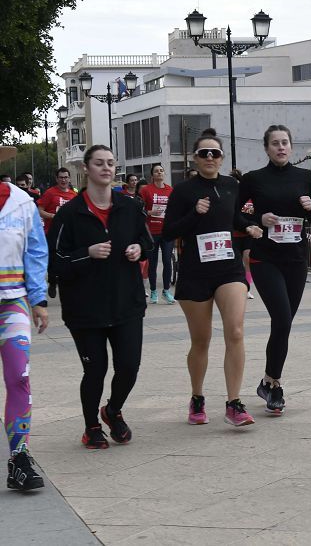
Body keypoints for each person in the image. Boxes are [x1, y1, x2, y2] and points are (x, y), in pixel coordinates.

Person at [49, 145, 152, 449]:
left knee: (129, 366)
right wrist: (87, 254)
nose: (106, 168)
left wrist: (138, 250)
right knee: (95, 369)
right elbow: (55, 263)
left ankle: (113, 410)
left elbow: (147, 243)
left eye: (110, 163)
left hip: (126, 303)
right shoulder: (70, 213)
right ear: (86, 168)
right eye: (99, 163)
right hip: (86, 309)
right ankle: (91, 425)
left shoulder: (130, 207)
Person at [163, 129, 262, 427]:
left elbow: (233, 218)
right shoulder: (183, 191)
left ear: (221, 158)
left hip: (228, 268)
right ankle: (197, 397)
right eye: (204, 153)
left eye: (214, 153)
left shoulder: (232, 186)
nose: (209, 157)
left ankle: (234, 403)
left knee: (235, 331)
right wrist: (194, 213)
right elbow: (168, 231)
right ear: (195, 158)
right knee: (201, 340)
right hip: (195, 271)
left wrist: (251, 226)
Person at [239, 125, 311, 415]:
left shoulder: (305, 177)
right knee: (282, 318)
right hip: (265, 259)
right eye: (275, 143)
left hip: (296, 260)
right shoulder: (253, 179)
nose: (281, 147)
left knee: (283, 325)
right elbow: (236, 214)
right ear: (266, 148)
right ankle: (275, 385)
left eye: (285, 142)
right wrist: (259, 218)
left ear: (291, 146)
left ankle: (268, 381)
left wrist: (310, 208)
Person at [0, 146, 48, 490]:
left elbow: (35, 250)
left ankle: (19, 456)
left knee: (19, 378)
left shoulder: (20, 202)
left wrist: (38, 299)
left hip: (11, 301)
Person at [140, 165, 175, 304]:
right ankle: (153, 290)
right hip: (151, 232)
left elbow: (174, 208)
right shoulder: (146, 190)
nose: (159, 172)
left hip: (166, 231)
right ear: (152, 175)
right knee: (152, 263)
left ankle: (166, 291)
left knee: (167, 261)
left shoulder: (170, 190)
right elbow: (139, 208)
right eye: (156, 171)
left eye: (161, 170)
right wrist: (149, 212)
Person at [230, 169, 255, 300]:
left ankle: (247, 288)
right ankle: (237, 287)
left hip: (248, 234)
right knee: (237, 263)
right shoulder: (230, 198)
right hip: (234, 235)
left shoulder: (251, 198)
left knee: (248, 259)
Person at [37, 167, 77, 235]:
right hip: (52, 232)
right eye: (61, 177)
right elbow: (39, 211)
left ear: (69, 179)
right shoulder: (50, 193)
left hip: (68, 233)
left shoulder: (74, 195)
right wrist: (53, 216)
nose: (63, 180)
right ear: (57, 179)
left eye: (66, 177)